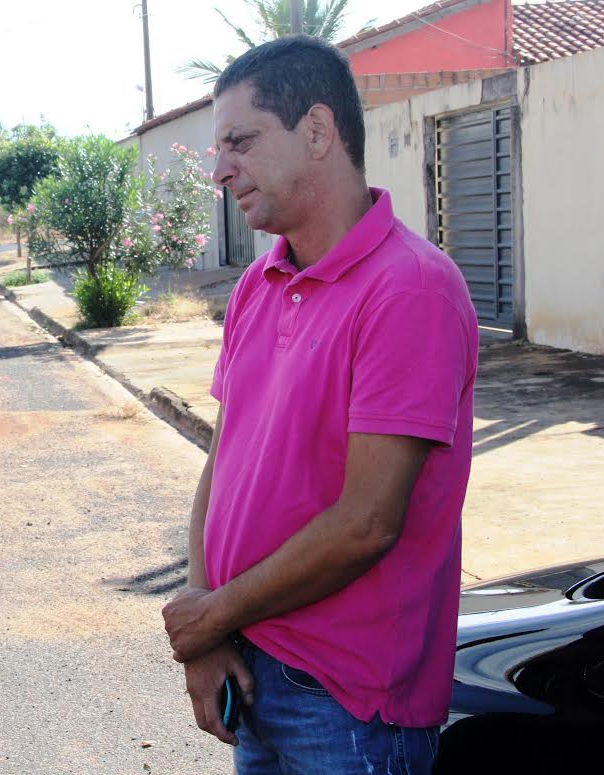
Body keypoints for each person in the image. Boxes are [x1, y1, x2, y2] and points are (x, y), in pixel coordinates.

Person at [161, 37, 479, 774]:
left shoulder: (410, 288)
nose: (218, 170)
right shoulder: (257, 282)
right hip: (252, 666)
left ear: (316, 130)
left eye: (239, 141)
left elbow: (367, 522)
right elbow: (223, 460)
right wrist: (208, 627)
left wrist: (213, 613)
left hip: (346, 703)